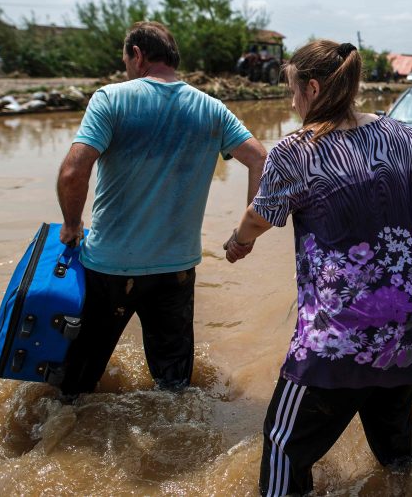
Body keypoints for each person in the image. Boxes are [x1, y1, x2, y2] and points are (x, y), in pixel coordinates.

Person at [223, 39, 412, 497]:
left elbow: (260, 216)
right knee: (398, 450)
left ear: (311, 88)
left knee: (283, 445)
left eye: (293, 91)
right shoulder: (403, 135)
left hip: (339, 339)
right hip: (408, 331)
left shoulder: (295, 150)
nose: (291, 102)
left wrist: (236, 242)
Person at [56, 20, 267, 396]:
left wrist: (71, 224)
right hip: (177, 268)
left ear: (137, 56)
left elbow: (73, 173)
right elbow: (260, 160)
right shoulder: (212, 109)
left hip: (110, 265)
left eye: (125, 58)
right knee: (175, 390)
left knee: (77, 381)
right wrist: (245, 234)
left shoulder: (111, 99)